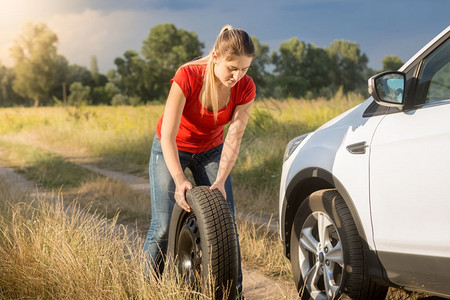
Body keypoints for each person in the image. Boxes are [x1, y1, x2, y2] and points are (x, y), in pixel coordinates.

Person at [143, 24, 256, 296]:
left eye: (244, 69)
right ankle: (149, 288)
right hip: (172, 147)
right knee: (162, 226)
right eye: (232, 68)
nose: (237, 76)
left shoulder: (245, 88)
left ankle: (233, 293)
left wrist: (219, 181)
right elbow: (168, 135)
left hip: (211, 150)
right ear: (216, 56)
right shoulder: (188, 76)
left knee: (226, 222)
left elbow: (234, 138)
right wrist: (181, 181)